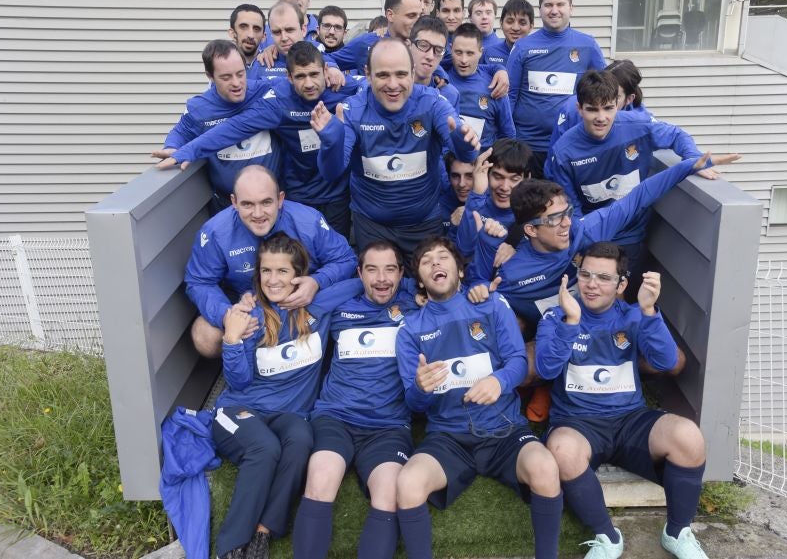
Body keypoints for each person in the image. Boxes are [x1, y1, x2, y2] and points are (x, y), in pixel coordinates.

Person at [536, 242, 709, 559]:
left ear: (621, 284)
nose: (591, 284)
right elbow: (546, 368)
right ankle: (607, 535)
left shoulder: (633, 315)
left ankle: (677, 532)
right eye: (585, 274)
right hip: (577, 422)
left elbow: (666, 360)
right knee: (561, 451)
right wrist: (571, 323)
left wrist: (648, 312)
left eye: (603, 277)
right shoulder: (557, 314)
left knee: (689, 436)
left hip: (630, 419)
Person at [394, 237, 563, 559]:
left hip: (504, 429)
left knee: (544, 468)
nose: (435, 264)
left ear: (459, 269)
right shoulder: (410, 330)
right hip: (448, 436)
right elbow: (414, 403)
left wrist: (498, 382)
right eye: (427, 261)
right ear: (419, 278)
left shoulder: (491, 305)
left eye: (443, 257)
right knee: (408, 483)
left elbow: (517, 360)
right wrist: (420, 389)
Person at [469, 151, 741, 328]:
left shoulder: (582, 230)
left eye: (568, 213)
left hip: (585, 316)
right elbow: (476, 287)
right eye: (554, 219)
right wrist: (481, 289)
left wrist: (690, 165)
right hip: (540, 324)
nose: (566, 223)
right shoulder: (507, 264)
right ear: (530, 230)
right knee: (510, 324)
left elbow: (638, 197)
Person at [212, 233, 359, 559]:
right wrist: (232, 342)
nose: (273, 280)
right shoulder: (250, 316)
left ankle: (264, 531)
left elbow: (357, 282)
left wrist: (316, 284)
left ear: (297, 275)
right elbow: (238, 382)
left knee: (301, 438)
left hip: (289, 414)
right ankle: (232, 546)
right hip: (239, 410)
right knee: (265, 447)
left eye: (283, 272)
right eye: (266, 271)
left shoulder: (317, 307)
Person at [293, 241, 420, 559]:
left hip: (388, 425)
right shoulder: (339, 305)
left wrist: (409, 287)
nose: (381, 278)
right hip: (337, 416)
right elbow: (314, 304)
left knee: (389, 494)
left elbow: (442, 287)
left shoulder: (415, 306)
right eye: (372, 269)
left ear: (401, 273)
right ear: (359, 272)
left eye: (390, 269)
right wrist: (354, 281)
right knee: (321, 476)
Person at [545, 70, 714, 300]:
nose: (601, 117)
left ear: (618, 105)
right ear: (579, 108)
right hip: (596, 234)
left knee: (623, 297)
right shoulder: (564, 151)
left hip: (632, 233)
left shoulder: (639, 125)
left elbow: (676, 134)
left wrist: (694, 159)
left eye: (608, 108)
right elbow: (570, 208)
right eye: (592, 109)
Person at [166, 42, 362, 237]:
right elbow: (233, 127)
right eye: (300, 76)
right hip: (297, 196)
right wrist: (185, 151)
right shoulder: (278, 100)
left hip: (337, 196)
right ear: (289, 77)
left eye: (314, 74)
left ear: (325, 71)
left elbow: (371, 87)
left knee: (336, 248)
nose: (309, 83)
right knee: (298, 257)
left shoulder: (341, 87)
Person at [311, 37, 479, 261]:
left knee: (426, 292)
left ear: (412, 73)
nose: (393, 85)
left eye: (400, 74)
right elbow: (331, 172)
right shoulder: (353, 110)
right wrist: (332, 140)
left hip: (424, 224)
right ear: (368, 74)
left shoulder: (432, 102)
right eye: (382, 75)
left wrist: (463, 143)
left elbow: (464, 151)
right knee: (380, 293)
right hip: (372, 226)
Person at [184, 165, 357, 359]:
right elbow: (199, 281)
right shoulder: (216, 232)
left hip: (302, 305)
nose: (258, 214)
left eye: (266, 202)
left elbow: (346, 259)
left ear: (280, 199)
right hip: (250, 311)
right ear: (234, 202)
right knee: (204, 336)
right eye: (248, 204)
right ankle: (245, 366)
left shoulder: (308, 222)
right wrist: (227, 314)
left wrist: (317, 282)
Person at [153, 40, 282, 210]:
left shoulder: (265, 91)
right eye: (226, 77)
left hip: (271, 202)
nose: (236, 83)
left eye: (240, 74)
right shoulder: (199, 107)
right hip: (225, 204)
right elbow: (181, 131)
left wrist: (330, 69)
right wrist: (173, 146)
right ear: (210, 76)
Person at [507, 0, 607, 178]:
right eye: (548, 5)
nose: (554, 10)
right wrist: (509, 140)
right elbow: (509, 96)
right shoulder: (523, 46)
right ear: (540, 8)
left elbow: (605, 94)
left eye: (560, 4)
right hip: (528, 147)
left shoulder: (588, 46)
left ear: (571, 7)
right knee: (527, 205)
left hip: (570, 144)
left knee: (562, 206)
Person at [549, 59, 653, 151]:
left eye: (615, 97)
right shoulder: (570, 109)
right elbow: (556, 151)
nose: (606, 99)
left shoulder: (641, 119)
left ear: (629, 99)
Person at [447, 23, 516, 150]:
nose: (463, 60)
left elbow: (507, 135)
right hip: (448, 164)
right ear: (450, 49)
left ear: (481, 52)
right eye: (458, 52)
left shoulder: (495, 84)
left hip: (483, 163)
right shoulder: (440, 80)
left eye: (470, 53)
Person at [328, 0, 423, 75]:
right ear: (390, 15)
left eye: (420, 16)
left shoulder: (424, 45)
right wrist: (335, 71)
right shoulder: (367, 43)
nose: (418, 21)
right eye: (411, 16)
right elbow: (326, 59)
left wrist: (438, 72)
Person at [409, 16, 461, 107]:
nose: (430, 56)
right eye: (423, 45)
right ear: (409, 46)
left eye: (438, 50)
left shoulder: (450, 95)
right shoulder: (392, 88)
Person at [485, 0, 534, 65]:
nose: (515, 28)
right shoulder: (488, 53)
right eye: (510, 22)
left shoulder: (537, 55)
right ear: (501, 23)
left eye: (522, 23)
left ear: (531, 26)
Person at [228, 4, 266, 75]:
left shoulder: (274, 64)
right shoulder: (222, 65)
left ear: (263, 36)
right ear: (232, 33)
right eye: (243, 27)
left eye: (256, 29)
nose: (250, 35)